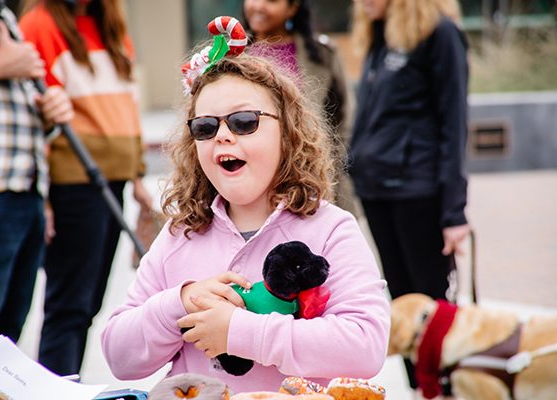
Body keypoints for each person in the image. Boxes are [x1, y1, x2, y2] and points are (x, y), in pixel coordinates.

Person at [101, 35, 390, 392]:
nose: (222, 135)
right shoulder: (179, 235)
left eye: (243, 121)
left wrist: (239, 332)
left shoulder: (331, 229)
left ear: (287, 133)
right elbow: (118, 355)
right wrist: (180, 302)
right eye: (205, 127)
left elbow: (365, 346)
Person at [19, 0, 152, 376]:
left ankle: (65, 384)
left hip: (115, 178)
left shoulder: (110, 27)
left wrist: (138, 174)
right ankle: (55, 387)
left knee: (89, 304)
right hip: (72, 182)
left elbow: (129, 103)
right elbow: (34, 116)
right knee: (70, 306)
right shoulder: (39, 24)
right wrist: (41, 196)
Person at [348, 0, 470, 397]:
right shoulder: (380, 36)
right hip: (376, 191)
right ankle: (420, 388)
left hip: (420, 192)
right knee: (399, 304)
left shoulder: (440, 34)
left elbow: (454, 125)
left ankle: (445, 388)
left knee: (430, 308)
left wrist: (454, 212)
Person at [0, 5, 73, 371]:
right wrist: (2, 65)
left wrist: (48, 112)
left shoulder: (0, 12)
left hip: (23, 191)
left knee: (1, 347)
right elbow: (8, 66)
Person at [243, 0, 362, 219]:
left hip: (313, 184)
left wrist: (330, 162)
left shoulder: (322, 54)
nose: (258, 5)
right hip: (250, 186)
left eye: (271, 0)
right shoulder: (232, 55)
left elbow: (345, 116)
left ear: (293, 7)